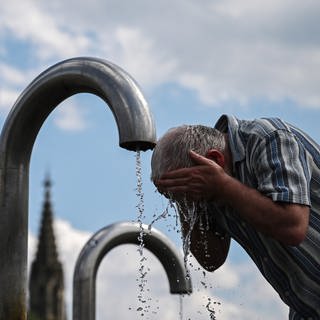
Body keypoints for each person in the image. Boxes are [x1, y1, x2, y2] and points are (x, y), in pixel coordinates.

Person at [151, 114, 320, 319]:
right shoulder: (205, 183)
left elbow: (292, 226)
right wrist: (182, 199)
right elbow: (210, 258)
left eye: (187, 190)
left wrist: (224, 187)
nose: (190, 202)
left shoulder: (269, 138)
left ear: (215, 161)